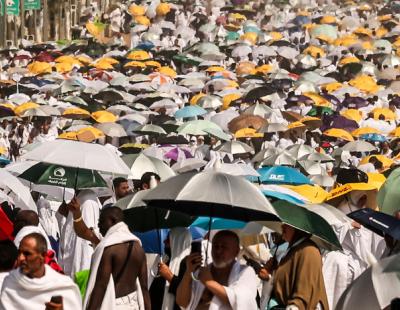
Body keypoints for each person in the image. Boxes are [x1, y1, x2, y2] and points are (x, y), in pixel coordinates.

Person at [67, 199, 151, 310]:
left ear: (112, 220)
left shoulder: (109, 248)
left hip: (113, 305)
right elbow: (144, 287)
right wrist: (77, 213)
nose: (98, 225)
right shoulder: (138, 247)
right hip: (133, 305)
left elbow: (100, 286)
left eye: (101, 221)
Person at [176, 230, 258, 310]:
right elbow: (182, 303)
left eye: (224, 247)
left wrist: (210, 283)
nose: (218, 251)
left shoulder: (246, 272)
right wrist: (188, 273)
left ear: (236, 251)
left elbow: (242, 302)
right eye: (215, 246)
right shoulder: (203, 271)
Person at [0, 233, 81, 310]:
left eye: (27, 254)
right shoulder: (10, 282)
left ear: (42, 256)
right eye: (19, 252)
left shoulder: (63, 287)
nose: (21, 258)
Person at [267, 224, 329, 309]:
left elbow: (304, 295)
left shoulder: (309, 250)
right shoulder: (293, 250)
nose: (282, 227)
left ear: (298, 228)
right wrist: (274, 271)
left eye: (287, 225)